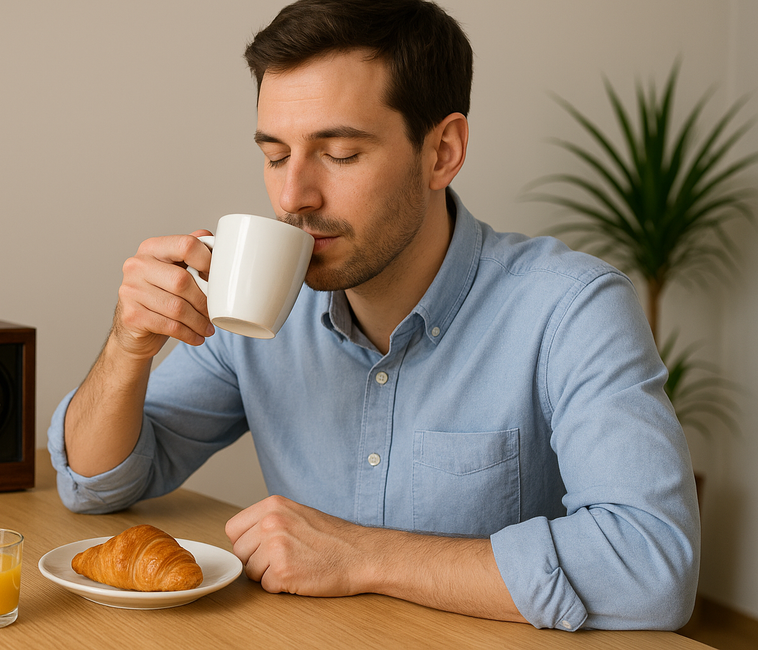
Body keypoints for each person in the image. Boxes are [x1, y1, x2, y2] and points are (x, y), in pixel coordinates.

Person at [47, 0, 700, 631]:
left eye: (339, 154)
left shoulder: (570, 308)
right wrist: (126, 350)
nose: (292, 196)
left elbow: (651, 565)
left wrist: (360, 555)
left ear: (442, 151)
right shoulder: (259, 304)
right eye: (275, 155)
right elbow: (97, 485)